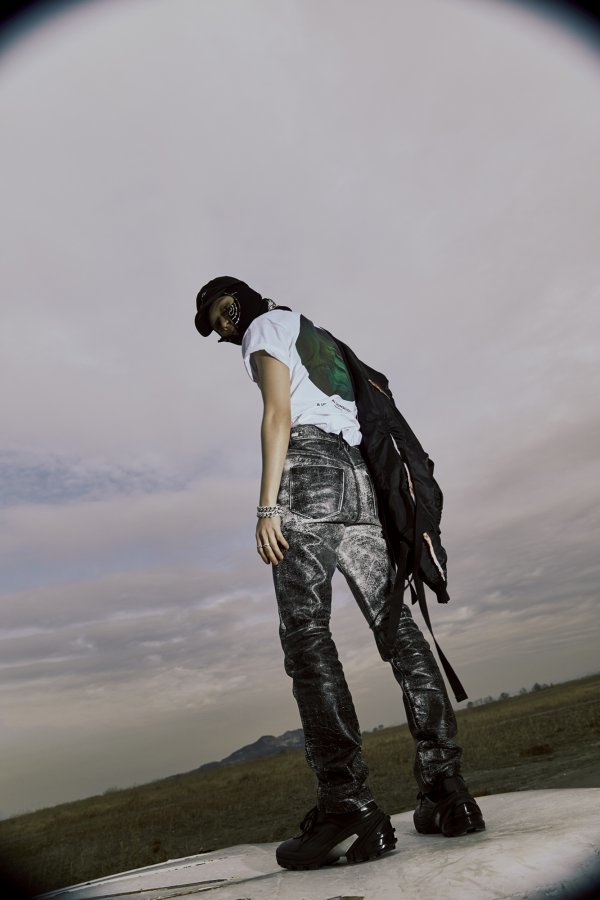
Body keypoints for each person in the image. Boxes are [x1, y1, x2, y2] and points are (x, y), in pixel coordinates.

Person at [194, 276, 485, 870]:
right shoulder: (317, 336)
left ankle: (347, 804)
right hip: (359, 482)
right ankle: (446, 790)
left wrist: (268, 507)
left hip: (307, 473)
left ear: (242, 299)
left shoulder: (264, 329)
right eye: (216, 324)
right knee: (398, 630)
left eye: (224, 311)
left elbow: (278, 413)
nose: (224, 327)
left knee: (306, 636)